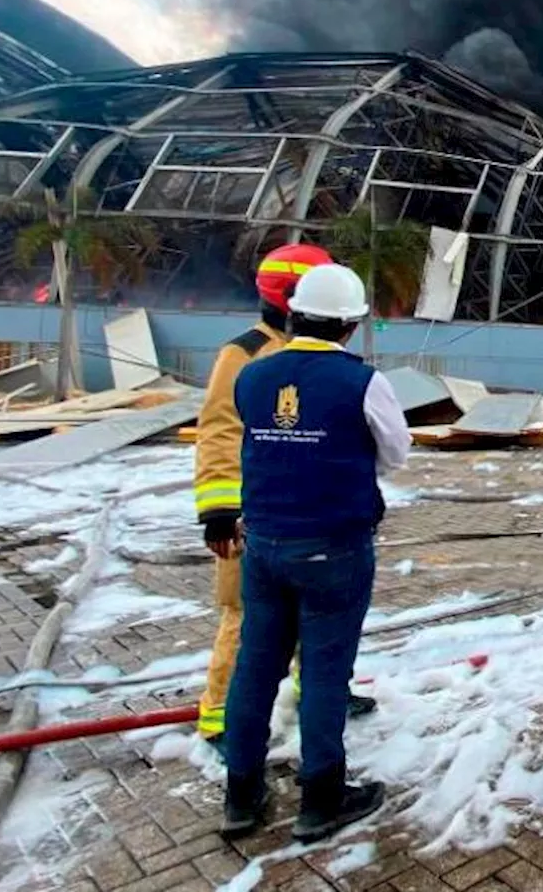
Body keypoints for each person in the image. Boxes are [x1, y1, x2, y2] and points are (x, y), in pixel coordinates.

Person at [220, 262, 411, 842]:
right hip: (335, 549)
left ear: (293, 312)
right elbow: (396, 453)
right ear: (351, 325)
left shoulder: (252, 377)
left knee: (255, 669)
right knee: (325, 673)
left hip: (265, 546)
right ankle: (321, 797)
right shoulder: (363, 382)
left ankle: (241, 794)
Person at [193, 244, 376, 749]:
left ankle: (317, 691)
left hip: (315, 519)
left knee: (316, 620)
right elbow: (219, 432)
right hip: (258, 520)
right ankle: (220, 717)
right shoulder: (246, 355)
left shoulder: (306, 354)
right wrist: (220, 511)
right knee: (246, 618)